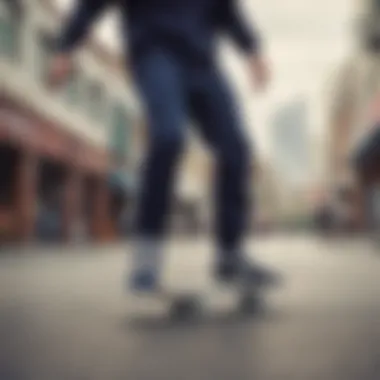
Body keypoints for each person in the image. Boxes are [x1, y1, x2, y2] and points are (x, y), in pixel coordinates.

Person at [50, 0, 276, 292]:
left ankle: (230, 256)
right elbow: (92, 5)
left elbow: (227, 11)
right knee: (169, 136)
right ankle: (147, 258)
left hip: (202, 62)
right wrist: (65, 47)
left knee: (235, 148)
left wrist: (252, 51)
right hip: (154, 55)